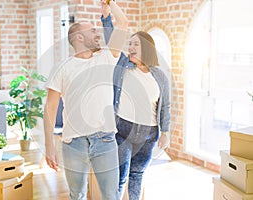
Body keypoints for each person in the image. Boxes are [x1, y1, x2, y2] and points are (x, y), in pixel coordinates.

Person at [43, 1, 128, 200]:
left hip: (105, 140)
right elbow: (50, 108)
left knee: (111, 196)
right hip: (73, 143)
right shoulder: (62, 68)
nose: (97, 33)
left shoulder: (107, 57)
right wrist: (49, 146)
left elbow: (122, 23)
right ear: (79, 37)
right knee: (77, 195)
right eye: (92, 31)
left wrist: (109, 6)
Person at [101, 7, 171, 200]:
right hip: (124, 129)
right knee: (120, 177)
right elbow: (112, 40)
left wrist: (165, 133)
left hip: (149, 134)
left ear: (147, 49)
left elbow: (165, 106)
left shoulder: (160, 76)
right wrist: (106, 16)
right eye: (129, 44)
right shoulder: (123, 65)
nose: (130, 47)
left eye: (135, 45)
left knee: (137, 175)